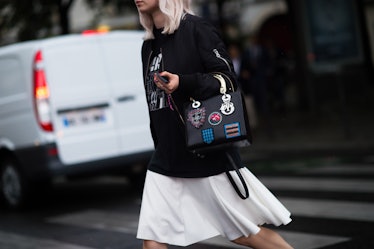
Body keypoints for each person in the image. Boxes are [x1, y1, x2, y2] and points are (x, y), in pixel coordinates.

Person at [134, 1, 293, 249]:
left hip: (203, 150)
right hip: (166, 156)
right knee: (153, 237)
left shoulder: (196, 29)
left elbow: (228, 80)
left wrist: (184, 82)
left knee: (244, 233)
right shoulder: (149, 45)